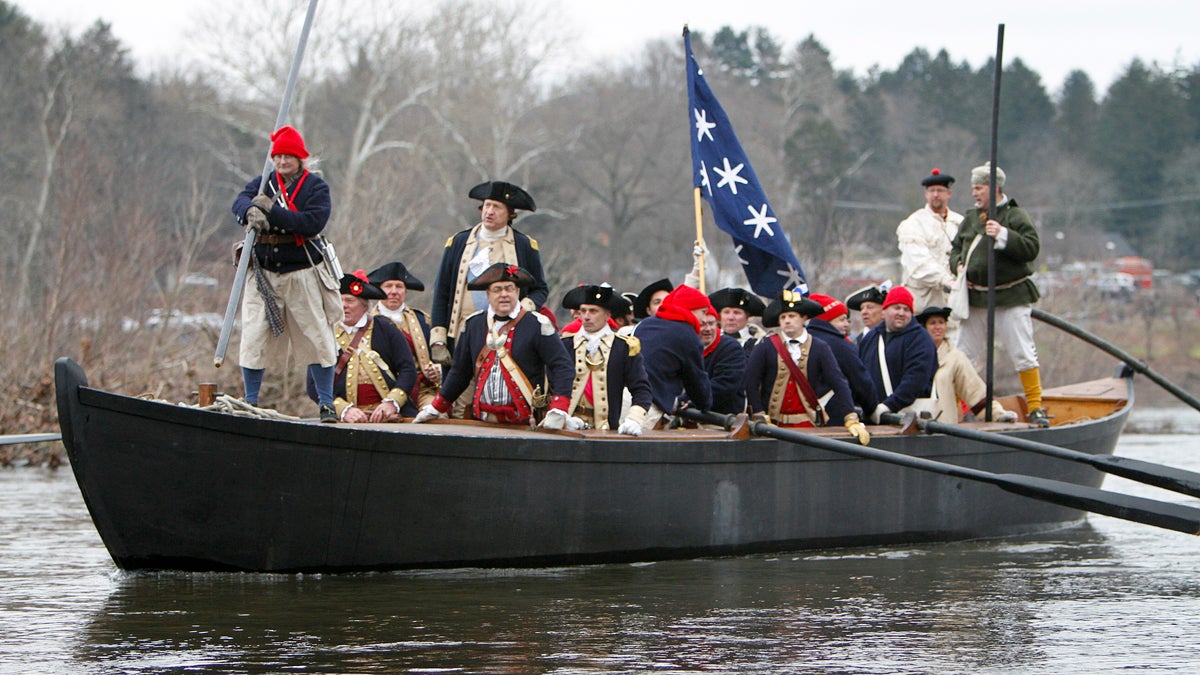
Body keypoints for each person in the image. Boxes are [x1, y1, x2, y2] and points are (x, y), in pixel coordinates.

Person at [231, 125, 340, 422]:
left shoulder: (316, 188)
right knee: (253, 337)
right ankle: (250, 400)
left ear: (300, 159)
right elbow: (240, 200)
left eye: (288, 157)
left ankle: (327, 403)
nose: (282, 163)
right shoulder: (263, 182)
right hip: (263, 272)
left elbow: (311, 222)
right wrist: (249, 212)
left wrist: (272, 213)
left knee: (317, 336)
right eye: (278, 157)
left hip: (301, 272)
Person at [949, 162, 1050, 427]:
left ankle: (1036, 407)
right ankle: (963, 408)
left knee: (1022, 352)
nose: (974, 193)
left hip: (1010, 297)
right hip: (976, 298)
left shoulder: (1016, 216)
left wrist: (1004, 235)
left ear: (994, 188)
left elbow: (1031, 247)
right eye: (973, 188)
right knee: (963, 356)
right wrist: (959, 265)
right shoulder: (971, 218)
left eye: (979, 188)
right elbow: (956, 248)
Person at [413, 263, 573, 428]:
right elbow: (459, 373)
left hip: (525, 423)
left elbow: (562, 367)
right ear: (488, 294)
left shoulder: (538, 324)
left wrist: (558, 408)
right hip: (482, 422)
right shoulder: (473, 324)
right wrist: (436, 407)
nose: (504, 294)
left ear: (517, 292)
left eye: (509, 288)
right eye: (497, 289)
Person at [429, 181, 548, 364]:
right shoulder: (458, 243)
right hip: (462, 332)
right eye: (487, 205)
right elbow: (442, 292)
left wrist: (521, 312)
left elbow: (540, 289)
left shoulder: (524, 245)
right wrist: (438, 337)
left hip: (509, 333)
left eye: (497, 207)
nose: (489, 211)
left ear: (510, 213)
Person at [744, 291, 870, 444]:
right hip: (773, 425)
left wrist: (850, 418)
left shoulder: (820, 347)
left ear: (804, 318)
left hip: (808, 424)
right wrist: (760, 416)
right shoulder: (765, 346)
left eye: (792, 316)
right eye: (783, 317)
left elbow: (838, 382)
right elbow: (751, 382)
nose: (787, 321)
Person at [308, 271, 418, 422]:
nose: (344, 306)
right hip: (346, 420)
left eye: (350, 300)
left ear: (365, 305)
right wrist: (343, 409)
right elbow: (313, 384)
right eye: (339, 301)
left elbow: (408, 370)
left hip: (391, 417)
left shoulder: (386, 328)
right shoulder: (324, 335)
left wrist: (392, 402)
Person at [559, 284, 653, 434]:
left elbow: (641, 389)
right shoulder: (565, 345)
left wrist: (634, 419)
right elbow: (552, 385)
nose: (586, 316)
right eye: (583, 311)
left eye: (593, 311)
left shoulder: (623, 348)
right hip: (568, 427)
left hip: (606, 430)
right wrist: (560, 415)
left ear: (607, 315)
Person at [915, 306, 1018, 424]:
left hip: (943, 426)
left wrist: (997, 414)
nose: (938, 327)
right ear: (924, 327)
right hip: (912, 425)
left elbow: (974, 390)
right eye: (932, 323)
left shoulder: (955, 358)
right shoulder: (912, 355)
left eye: (941, 322)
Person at [632, 284, 713, 429]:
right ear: (691, 309)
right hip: (649, 405)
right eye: (703, 311)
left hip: (625, 397)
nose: (703, 319)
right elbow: (696, 380)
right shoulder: (687, 335)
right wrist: (704, 404)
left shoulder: (645, 324)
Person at [858, 286, 938, 424]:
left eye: (906, 309)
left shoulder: (920, 339)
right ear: (885, 310)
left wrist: (889, 405)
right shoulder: (871, 338)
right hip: (874, 417)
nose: (901, 313)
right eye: (896, 308)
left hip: (909, 420)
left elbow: (916, 378)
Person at [368, 261, 441, 409]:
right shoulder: (367, 323)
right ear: (378, 290)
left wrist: (437, 370)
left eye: (399, 286)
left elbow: (439, 356)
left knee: (435, 414)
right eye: (388, 286)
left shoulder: (423, 320)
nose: (394, 291)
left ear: (405, 291)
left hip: (422, 391)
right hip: (382, 393)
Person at [897, 168, 963, 312]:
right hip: (923, 302)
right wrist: (946, 280)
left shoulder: (960, 223)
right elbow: (918, 263)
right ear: (926, 194)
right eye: (932, 190)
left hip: (954, 303)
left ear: (949, 194)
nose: (935, 195)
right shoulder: (913, 224)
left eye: (940, 190)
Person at [806, 293, 878, 415]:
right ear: (827, 320)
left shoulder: (804, 340)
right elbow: (861, 383)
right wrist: (871, 409)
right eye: (841, 319)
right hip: (834, 416)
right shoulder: (840, 345)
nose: (846, 324)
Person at [696, 307, 748, 414]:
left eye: (711, 323)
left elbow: (723, 386)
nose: (708, 329)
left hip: (721, 421)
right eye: (702, 324)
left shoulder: (731, 348)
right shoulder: (686, 347)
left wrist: (688, 399)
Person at [708, 287, 766, 356]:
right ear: (719, 315)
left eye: (736, 313)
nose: (731, 317)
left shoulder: (761, 343)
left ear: (747, 316)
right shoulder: (707, 341)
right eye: (726, 312)